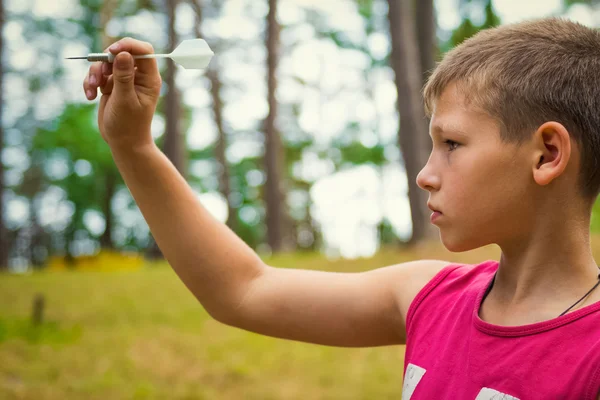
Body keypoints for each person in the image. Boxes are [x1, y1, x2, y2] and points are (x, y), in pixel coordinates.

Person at [82, 17, 600, 399]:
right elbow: (242, 291)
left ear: (547, 154)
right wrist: (133, 145)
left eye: (453, 145)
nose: (426, 174)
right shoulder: (429, 297)